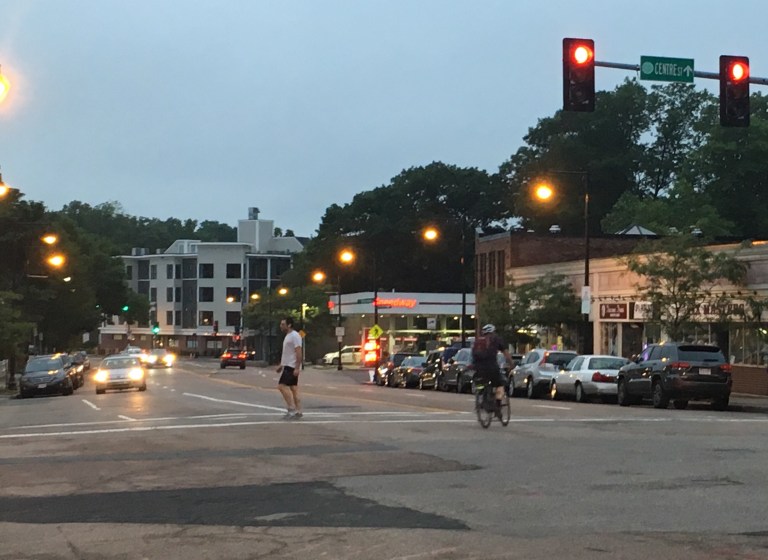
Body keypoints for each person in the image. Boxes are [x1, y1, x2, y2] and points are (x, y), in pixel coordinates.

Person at [472, 324, 513, 419]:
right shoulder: (496, 340)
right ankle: (497, 405)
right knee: (500, 384)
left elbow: (473, 355)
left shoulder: (478, 341)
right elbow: (506, 353)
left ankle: (482, 397)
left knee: (481, 382)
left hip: (478, 368)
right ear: (493, 332)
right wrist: (511, 364)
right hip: (491, 367)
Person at [276, 316, 303, 419]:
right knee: (293, 388)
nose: (281, 326)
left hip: (291, 366)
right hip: (287, 365)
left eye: (283, 324)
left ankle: (291, 409)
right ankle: (299, 411)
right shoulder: (288, 336)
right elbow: (287, 353)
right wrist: (281, 365)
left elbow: (298, 352)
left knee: (281, 386)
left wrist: (297, 367)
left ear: (289, 325)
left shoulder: (295, 336)